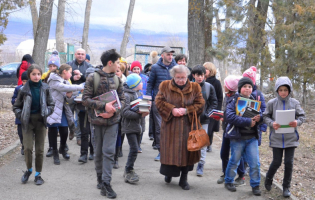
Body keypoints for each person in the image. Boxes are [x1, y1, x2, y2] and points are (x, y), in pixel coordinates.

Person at [82, 49, 125, 199]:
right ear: (110, 63)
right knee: (98, 152)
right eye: (118, 62)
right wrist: (103, 107)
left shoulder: (118, 79)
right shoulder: (92, 78)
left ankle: (107, 183)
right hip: (96, 122)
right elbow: (85, 100)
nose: (119, 65)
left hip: (113, 121)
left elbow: (123, 100)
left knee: (109, 152)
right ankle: (100, 179)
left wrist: (114, 111)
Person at [155, 65, 205, 190]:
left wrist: (187, 110)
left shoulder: (195, 87)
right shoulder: (165, 85)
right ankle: (168, 173)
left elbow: (200, 104)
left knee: (187, 153)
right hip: (170, 126)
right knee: (170, 151)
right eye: (178, 78)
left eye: (183, 78)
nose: (181, 80)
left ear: (188, 76)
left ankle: (184, 179)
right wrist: (172, 110)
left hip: (188, 126)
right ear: (173, 76)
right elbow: (159, 102)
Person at [263, 76, 305, 198]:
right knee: (276, 161)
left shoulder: (295, 103)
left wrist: (297, 122)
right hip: (276, 138)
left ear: (289, 90)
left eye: (285, 90)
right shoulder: (272, 103)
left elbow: (302, 116)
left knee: (289, 162)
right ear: (277, 90)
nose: (283, 92)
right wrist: (272, 123)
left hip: (291, 138)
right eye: (280, 90)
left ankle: (286, 187)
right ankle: (269, 178)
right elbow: (266, 116)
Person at [13, 64, 54, 185]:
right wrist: (21, 115)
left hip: (41, 121)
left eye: (38, 74)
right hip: (27, 122)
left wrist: (46, 112)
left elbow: (51, 104)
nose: (36, 77)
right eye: (33, 74)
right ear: (29, 75)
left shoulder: (45, 88)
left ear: (41, 75)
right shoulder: (23, 90)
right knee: (28, 148)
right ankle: (29, 169)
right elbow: (16, 106)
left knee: (40, 150)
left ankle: (38, 174)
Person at [224, 77, 262, 196]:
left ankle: (255, 185)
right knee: (235, 160)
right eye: (245, 86)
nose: (247, 89)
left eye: (249, 87)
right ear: (240, 88)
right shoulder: (234, 100)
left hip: (252, 138)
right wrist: (247, 121)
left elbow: (261, 115)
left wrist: (259, 118)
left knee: (255, 163)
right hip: (238, 137)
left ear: (252, 89)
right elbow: (229, 116)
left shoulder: (255, 101)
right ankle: (228, 181)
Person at [46, 64, 84, 165]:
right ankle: (55, 153)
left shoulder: (66, 81)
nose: (71, 75)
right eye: (70, 72)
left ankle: (62, 148)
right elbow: (63, 87)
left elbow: (68, 99)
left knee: (64, 131)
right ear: (64, 72)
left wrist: (69, 95)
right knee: (53, 131)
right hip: (53, 109)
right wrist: (80, 87)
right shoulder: (54, 80)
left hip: (62, 110)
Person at [146, 46, 177, 161]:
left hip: (173, 102)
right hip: (158, 102)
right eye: (168, 54)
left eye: (171, 55)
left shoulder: (176, 68)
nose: (170, 57)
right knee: (159, 128)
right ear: (162, 55)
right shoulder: (155, 68)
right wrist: (149, 98)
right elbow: (150, 84)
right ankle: (161, 151)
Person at [217, 75, 246, 186]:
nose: (224, 86)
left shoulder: (237, 99)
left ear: (230, 87)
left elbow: (238, 115)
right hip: (226, 130)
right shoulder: (227, 96)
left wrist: (226, 117)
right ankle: (225, 173)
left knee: (237, 155)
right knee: (224, 154)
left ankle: (241, 175)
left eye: (225, 84)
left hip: (234, 131)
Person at [121, 73, 149, 183]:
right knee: (133, 149)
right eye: (140, 82)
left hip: (139, 126)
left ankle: (129, 168)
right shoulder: (127, 96)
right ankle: (128, 170)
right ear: (135, 84)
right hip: (130, 127)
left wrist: (146, 108)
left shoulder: (139, 93)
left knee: (135, 149)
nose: (142, 83)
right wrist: (139, 115)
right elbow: (124, 112)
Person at [191, 65, 218, 176]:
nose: (200, 77)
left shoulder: (209, 87)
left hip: (204, 120)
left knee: (202, 143)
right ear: (194, 75)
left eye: (202, 75)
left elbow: (214, 102)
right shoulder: (189, 86)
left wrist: (207, 114)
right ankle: (189, 162)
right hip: (190, 119)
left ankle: (201, 163)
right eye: (198, 75)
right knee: (191, 140)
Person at [242, 66, 267, 176]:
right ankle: (244, 165)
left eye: (249, 85)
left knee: (253, 149)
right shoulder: (240, 94)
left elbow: (264, 110)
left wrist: (261, 121)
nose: (247, 88)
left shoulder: (258, 94)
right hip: (242, 126)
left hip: (255, 127)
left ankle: (249, 166)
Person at [67, 48, 92, 146]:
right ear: (75, 54)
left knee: (78, 117)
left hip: (82, 95)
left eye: (82, 54)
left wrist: (81, 76)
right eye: (78, 54)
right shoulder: (69, 64)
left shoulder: (88, 66)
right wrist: (72, 78)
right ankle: (72, 129)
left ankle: (79, 137)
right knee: (69, 116)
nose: (80, 55)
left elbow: (91, 79)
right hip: (69, 93)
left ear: (85, 55)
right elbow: (62, 77)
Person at [204, 62, 223, 152]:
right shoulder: (202, 81)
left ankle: (209, 144)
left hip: (213, 108)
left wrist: (217, 110)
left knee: (210, 128)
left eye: (206, 69)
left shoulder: (216, 82)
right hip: (204, 107)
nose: (204, 71)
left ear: (211, 71)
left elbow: (220, 97)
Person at [130, 61, 149, 152]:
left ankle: (138, 144)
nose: (136, 70)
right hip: (133, 102)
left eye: (138, 69)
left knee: (142, 124)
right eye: (134, 69)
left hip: (143, 102)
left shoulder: (145, 78)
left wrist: (149, 99)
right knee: (133, 124)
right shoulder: (129, 78)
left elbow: (149, 90)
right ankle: (133, 144)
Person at [11, 71, 28, 155]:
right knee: (20, 133)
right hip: (20, 114)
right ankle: (23, 145)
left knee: (28, 132)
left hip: (29, 115)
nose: (25, 83)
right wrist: (15, 100)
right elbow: (13, 99)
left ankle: (28, 146)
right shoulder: (18, 89)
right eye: (23, 81)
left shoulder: (32, 89)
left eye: (26, 81)